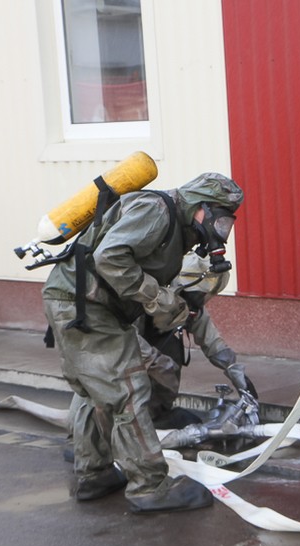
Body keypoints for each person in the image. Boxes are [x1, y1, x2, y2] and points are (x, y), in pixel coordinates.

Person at [42, 172, 244, 514]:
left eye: (227, 223)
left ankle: (94, 474)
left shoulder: (177, 230)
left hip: (83, 303)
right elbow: (110, 257)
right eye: (219, 219)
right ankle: (150, 487)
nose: (220, 230)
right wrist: (158, 298)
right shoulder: (158, 210)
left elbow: (196, 319)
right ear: (199, 207)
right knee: (129, 392)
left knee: (97, 393)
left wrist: (230, 364)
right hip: (87, 305)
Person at [136, 251, 259, 429]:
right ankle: (135, 422)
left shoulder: (192, 308)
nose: (200, 300)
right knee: (154, 371)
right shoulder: (148, 297)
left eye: (204, 296)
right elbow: (125, 338)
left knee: (171, 354)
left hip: (155, 343)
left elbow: (212, 342)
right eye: (197, 295)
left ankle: (157, 416)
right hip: (122, 346)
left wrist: (235, 372)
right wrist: (154, 361)